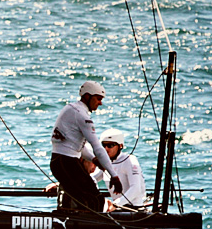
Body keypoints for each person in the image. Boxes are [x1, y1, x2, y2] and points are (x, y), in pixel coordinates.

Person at [50, 80, 122, 211]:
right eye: (98, 99)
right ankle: (90, 226)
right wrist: (114, 176)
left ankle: (72, 221)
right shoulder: (82, 116)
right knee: (94, 199)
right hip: (67, 162)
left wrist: (93, 159)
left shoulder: (70, 109)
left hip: (59, 161)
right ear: (87, 96)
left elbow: (76, 145)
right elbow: (97, 147)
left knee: (81, 197)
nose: (100, 103)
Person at [91, 129, 147, 209]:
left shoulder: (130, 160)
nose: (106, 149)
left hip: (133, 208)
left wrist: (115, 204)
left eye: (110, 145)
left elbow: (136, 189)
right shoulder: (105, 163)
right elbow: (93, 178)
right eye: (103, 145)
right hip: (118, 207)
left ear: (120, 146)